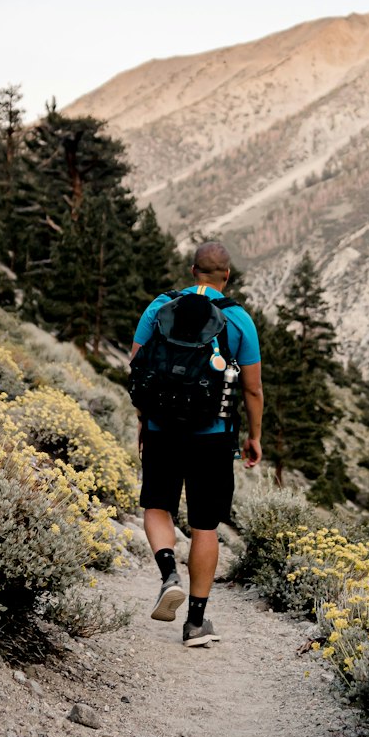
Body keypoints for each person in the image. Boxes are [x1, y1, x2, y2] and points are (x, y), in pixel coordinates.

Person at [129, 240, 263, 647]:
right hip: (213, 436)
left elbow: (138, 367)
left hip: (160, 428)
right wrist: (254, 436)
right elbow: (253, 390)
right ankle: (195, 624)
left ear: (192, 271)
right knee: (205, 525)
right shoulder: (239, 319)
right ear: (226, 276)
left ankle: (168, 572)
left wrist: (143, 421)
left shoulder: (160, 306)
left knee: (157, 506)